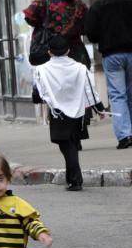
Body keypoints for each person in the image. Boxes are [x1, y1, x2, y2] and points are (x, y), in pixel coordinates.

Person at [33, 35, 106, 191]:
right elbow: (89, 90)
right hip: (78, 112)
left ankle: (75, 179)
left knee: (66, 145)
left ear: (49, 52)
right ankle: (72, 178)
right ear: (68, 51)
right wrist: (99, 108)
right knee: (71, 143)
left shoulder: (41, 70)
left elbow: (39, 94)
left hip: (57, 112)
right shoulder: (80, 68)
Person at [85, 0, 132, 150]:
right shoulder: (130, 0)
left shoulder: (98, 5)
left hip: (112, 55)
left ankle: (125, 136)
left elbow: (91, 33)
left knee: (118, 95)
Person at [23, 0, 90, 67]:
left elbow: (29, 16)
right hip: (74, 54)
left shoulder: (42, 2)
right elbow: (85, 26)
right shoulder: (77, 3)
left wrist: (42, 25)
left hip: (49, 55)